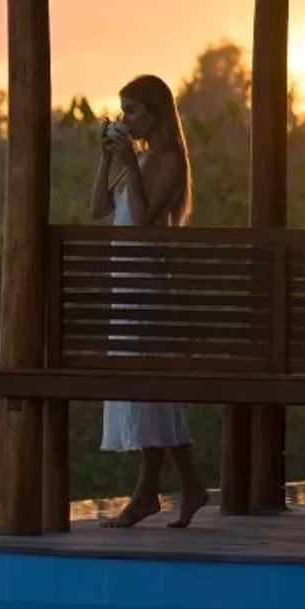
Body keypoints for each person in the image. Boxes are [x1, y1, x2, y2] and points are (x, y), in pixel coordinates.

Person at [88, 73, 209, 529]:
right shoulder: (136, 160)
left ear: (157, 114)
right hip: (127, 286)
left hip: (148, 288)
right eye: (122, 111)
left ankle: (149, 495)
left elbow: (142, 219)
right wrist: (108, 161)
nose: (126, 119)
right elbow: (99, 209)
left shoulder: (169, 161)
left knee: (149, 386)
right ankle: (185, 486)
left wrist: (133, 167)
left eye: (133, 111)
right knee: (148, 389)